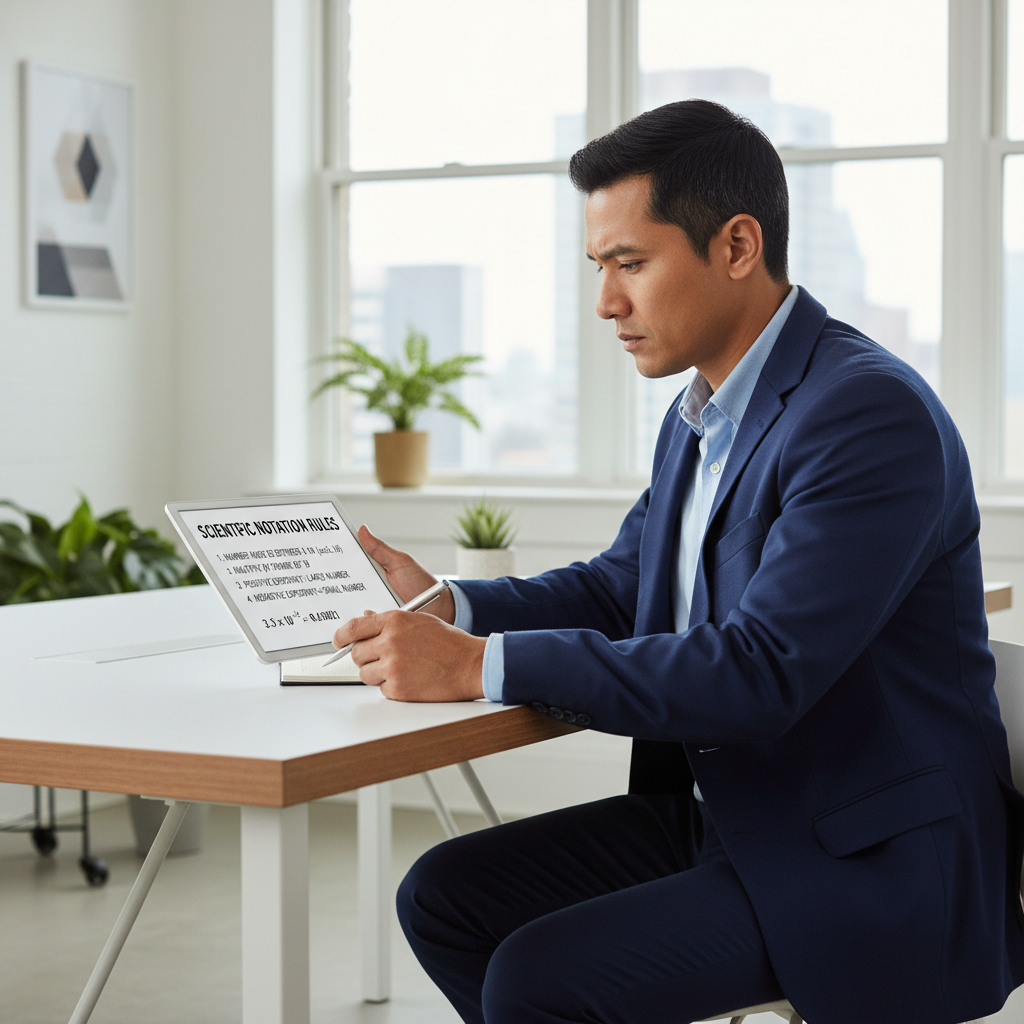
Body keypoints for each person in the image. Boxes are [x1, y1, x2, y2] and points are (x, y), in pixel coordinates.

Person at [333, 100, 1024, 1024]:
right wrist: (451, 608)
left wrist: (480, 668)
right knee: (444, 899)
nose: (605, 302)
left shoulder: (866, 415)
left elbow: (761, 671)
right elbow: (625, 588)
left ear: (737, 246)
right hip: (737, 812)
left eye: (630, 264)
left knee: (537, 978)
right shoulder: (700, 412)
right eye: (599, 267)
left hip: (863, 853)